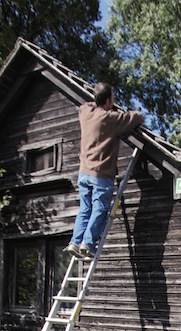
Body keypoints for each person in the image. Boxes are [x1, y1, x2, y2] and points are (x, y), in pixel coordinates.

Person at [65, 82, 143, 260]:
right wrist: (131, 112)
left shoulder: (85, 112)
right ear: (108, 100)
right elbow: (134, 118)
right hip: (100, 174)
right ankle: (88, 243)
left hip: (83, 172)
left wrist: (99, 101)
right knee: (99, 208)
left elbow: (87, 104)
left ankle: (75, 242)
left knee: (85, 208)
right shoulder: (110, 119)